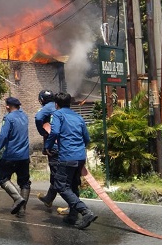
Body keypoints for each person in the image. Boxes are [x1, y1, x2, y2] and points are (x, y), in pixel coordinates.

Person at [44, 92, 97, 229]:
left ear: (56, 104)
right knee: (73, 185)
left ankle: (85, 211)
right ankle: (73, 216)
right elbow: (87, 138)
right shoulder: (78, 117)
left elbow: (54, 132)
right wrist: (79, 149)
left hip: (67, 156)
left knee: (61, 185)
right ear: (70, 103)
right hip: (80, 157)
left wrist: (47, 147)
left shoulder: (58, 114)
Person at [0, 96, 30, 216]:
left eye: (6, 105)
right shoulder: (25, 116)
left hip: (11, 155)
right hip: (24, 156)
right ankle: (21, 210)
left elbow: (3, 136)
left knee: (1, 178)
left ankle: (18, 198)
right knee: (24, 183)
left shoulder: (8, 118)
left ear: (8, 106)